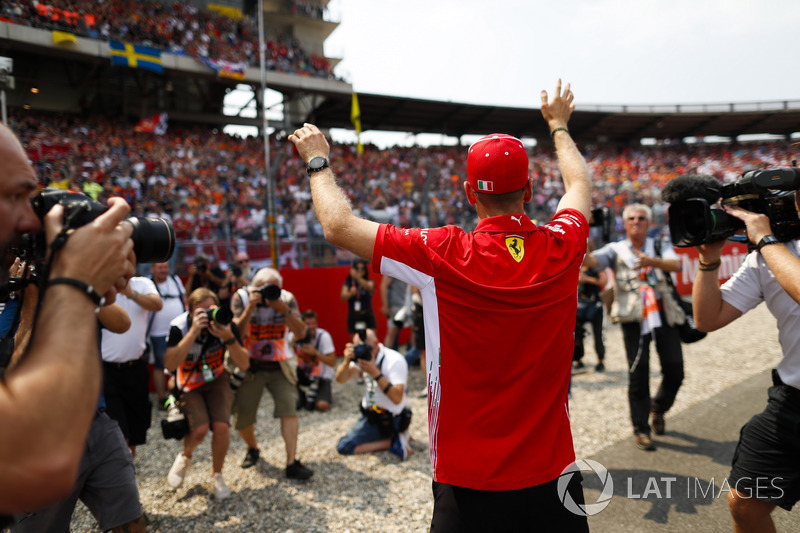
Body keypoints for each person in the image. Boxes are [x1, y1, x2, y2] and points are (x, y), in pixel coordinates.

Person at [289, 79, 592, 532]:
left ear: (471, 192)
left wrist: (318, 161)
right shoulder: (563, 246)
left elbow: (336, 226)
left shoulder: (442, 252)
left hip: (467, 480)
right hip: (552, 475)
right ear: (528, 191)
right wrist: (559, 126)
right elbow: (580, 183)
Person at [0, 123, 135, 514]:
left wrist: (78, 287)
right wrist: (70, 285)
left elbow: (120, 322)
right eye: (14, 198)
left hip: (95, 419)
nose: (31, 223)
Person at [692, 190, 800, 533]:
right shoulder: (771, 254)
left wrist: (766, 239)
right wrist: (709, 259)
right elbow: (708, 318)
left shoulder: (771, 248)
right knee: (745, 500)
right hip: (792, 400)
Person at [12, 302, 146, 532]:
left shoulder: (76, 289)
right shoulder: (12, 298)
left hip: (95, 424)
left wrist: (85, 286)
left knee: (131, 520)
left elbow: (122, 323)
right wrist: (32, 302)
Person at [584, 203, 685, 451]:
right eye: (632, 218)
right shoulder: (616, 249)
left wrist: (651, 261)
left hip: (663, 314)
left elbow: (677, 265)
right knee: (638, 373)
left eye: (641, 218)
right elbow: (589, 261)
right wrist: (583, 232)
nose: (636, 222)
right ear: (625, 223)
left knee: (675, 370)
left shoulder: (659, 244)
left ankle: (658, 407)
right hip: (634, 317)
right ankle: (641, 429)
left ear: (649, 223)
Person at [164, 287, 250, 500]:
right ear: (190, 311)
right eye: (201, 311)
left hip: (216, 377)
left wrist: (229, 338)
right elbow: (169, 364)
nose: (208, 315)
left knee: (221, 426)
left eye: (211, 309)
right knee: (200, 429)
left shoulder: (225, 322)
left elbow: (244, 363)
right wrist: (193, 332)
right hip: (189, 382)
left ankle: (217, 474)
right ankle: (185, 456)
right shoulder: (179, 326)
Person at [230, 268, 314, 479]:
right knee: (243, 415)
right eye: (263, 288)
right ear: (253, 287)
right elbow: (235, 335)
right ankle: (252, 448)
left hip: (280, 365)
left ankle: (291, 462)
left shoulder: (285, 298)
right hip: (250, 366)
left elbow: (302, 333)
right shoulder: (241, 297)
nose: (268, 292)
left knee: (289, 410)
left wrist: (283, 309)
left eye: (273, 288)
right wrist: (250, 307)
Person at [101, 275, 163, 457]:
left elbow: (157, 304)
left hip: (135, 368)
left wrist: (130, 293)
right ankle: (121, 473)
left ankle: (128, 471)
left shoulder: (141, 283)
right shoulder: (100, 284)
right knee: (118, 431)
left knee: (135, 429)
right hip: (107, 371)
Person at [334, 328, 411, 460]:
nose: (362, 350)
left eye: (364, 347)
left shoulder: (394, 360)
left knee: (344, 446)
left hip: (388, 419)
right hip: (370, 414)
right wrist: (347, 361)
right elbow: (340, 379)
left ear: (376, 343)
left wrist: (373, 371)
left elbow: (397, 398)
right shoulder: (363, 357)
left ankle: (394, 440)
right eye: (358, 347)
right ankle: (400, 435)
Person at [149, 261, 187, 408]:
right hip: (158, 332)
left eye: (165, 267)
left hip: (179, 331)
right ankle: (161, 397)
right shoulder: (148, 284)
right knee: (160, 365)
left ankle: (180, 394)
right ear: (153, 269)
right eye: (160, 267)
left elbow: (184, 298)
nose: (163, 270)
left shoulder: (175, 280)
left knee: (181, 363)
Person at [291, 309, 337, 412]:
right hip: (302, 375)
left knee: (322, 406)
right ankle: (301, 395)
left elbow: (333, 362)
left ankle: (315, 396)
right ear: (301, 324)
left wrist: (316, 353)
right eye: (308, 324)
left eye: (313, 324)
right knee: (292, 404)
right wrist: (294, 341)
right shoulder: (296, 336)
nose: (311, 327)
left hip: (321, 377)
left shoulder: (323, 337)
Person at [573, 245, 608, 372]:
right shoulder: (576, 264)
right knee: (578, 334)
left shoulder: (596, 264)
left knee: (598, 334)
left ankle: (600, 361)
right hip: (580, 304)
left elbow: (604, 281)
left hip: (595, 304)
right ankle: (579, 359)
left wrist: (587, 279)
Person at [340, 258, 376, 334]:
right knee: (354, 340)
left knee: (371, 338)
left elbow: (369, 287)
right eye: (357, 268)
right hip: (353, 315)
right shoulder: (348, 283)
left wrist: (357, 277)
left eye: (362, 268)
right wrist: (350, 293)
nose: (360, 270)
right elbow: (343, 297)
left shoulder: (369, 281)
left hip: (367, 314)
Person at [380, 275, 408, 349]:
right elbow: (383, 286)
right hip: (396, 307)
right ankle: (386, 355)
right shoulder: (392, 268)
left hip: (405, 305)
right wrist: (386, 306)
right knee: (392, 333)